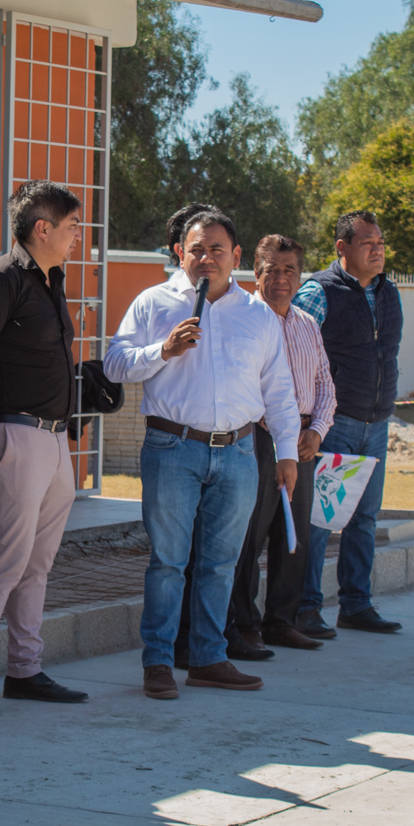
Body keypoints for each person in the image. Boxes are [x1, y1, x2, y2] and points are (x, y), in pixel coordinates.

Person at [105, 209, 301, 700]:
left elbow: (278, 390)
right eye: (197, 249)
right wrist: (163, 351)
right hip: (173, 448)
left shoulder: (257, 314)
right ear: (179, 252)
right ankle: (159, 661)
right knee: (169, 562)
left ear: (236, 256)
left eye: (217, 250)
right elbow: (114, 363)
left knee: (222, 563)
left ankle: (210, 657)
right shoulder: (154, 302)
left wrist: (287, 451)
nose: (206, 258)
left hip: (237, 452)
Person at [0, 180, 91, 715]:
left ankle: (25, 669)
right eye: (73, 225)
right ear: (43, 228)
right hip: (12, 434)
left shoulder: (52, 280)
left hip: (53, 439)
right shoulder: (2, 277)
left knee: (38, 563)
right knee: (8, 561)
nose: (80, 235)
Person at [291, 211, 403, 636]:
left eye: (380, 243)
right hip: (333, 424)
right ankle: (306, 608)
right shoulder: (319, 291)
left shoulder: (388, 292)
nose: (377, 250)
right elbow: (298, 355)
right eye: (367, 243)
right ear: (342, 248)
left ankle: (356, 604)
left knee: (364, 518)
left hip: (376, 424)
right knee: (320, 520)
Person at [221, 235, 335, 654]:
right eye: (273, 270)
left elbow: (325, 383)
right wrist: (283, 432)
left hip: (303, 444)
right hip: (257, 438)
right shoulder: (244, 318)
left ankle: (281, 621)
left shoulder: (307, 324)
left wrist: (316, 431)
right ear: (256, 272)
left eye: (290, 270)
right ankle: (243, 624)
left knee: (294, 535)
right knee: (249, 535)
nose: (282, 279)